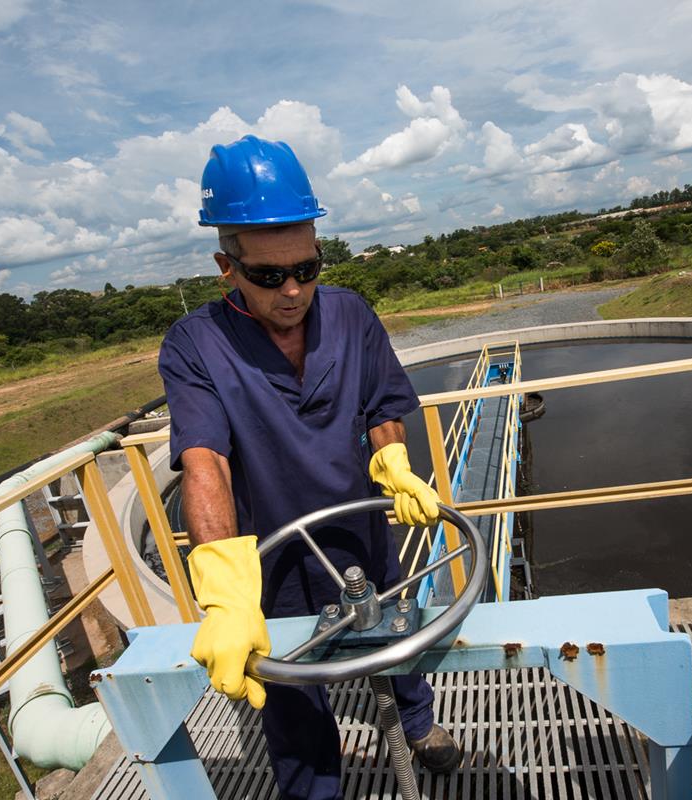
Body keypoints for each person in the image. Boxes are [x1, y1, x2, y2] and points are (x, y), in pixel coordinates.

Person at [158, 135, 461, 799]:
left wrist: (393, 462)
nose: (292, 289)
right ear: (225, 266)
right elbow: (202, 462)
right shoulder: (195, 344)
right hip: (271, 562)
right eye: (268, 275)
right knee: (293, 701)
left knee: (399, 639)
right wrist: (223, 588)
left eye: (307, 267)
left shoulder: (349, 312)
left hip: (358, 528)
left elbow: (381, 399)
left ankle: (418, 725)